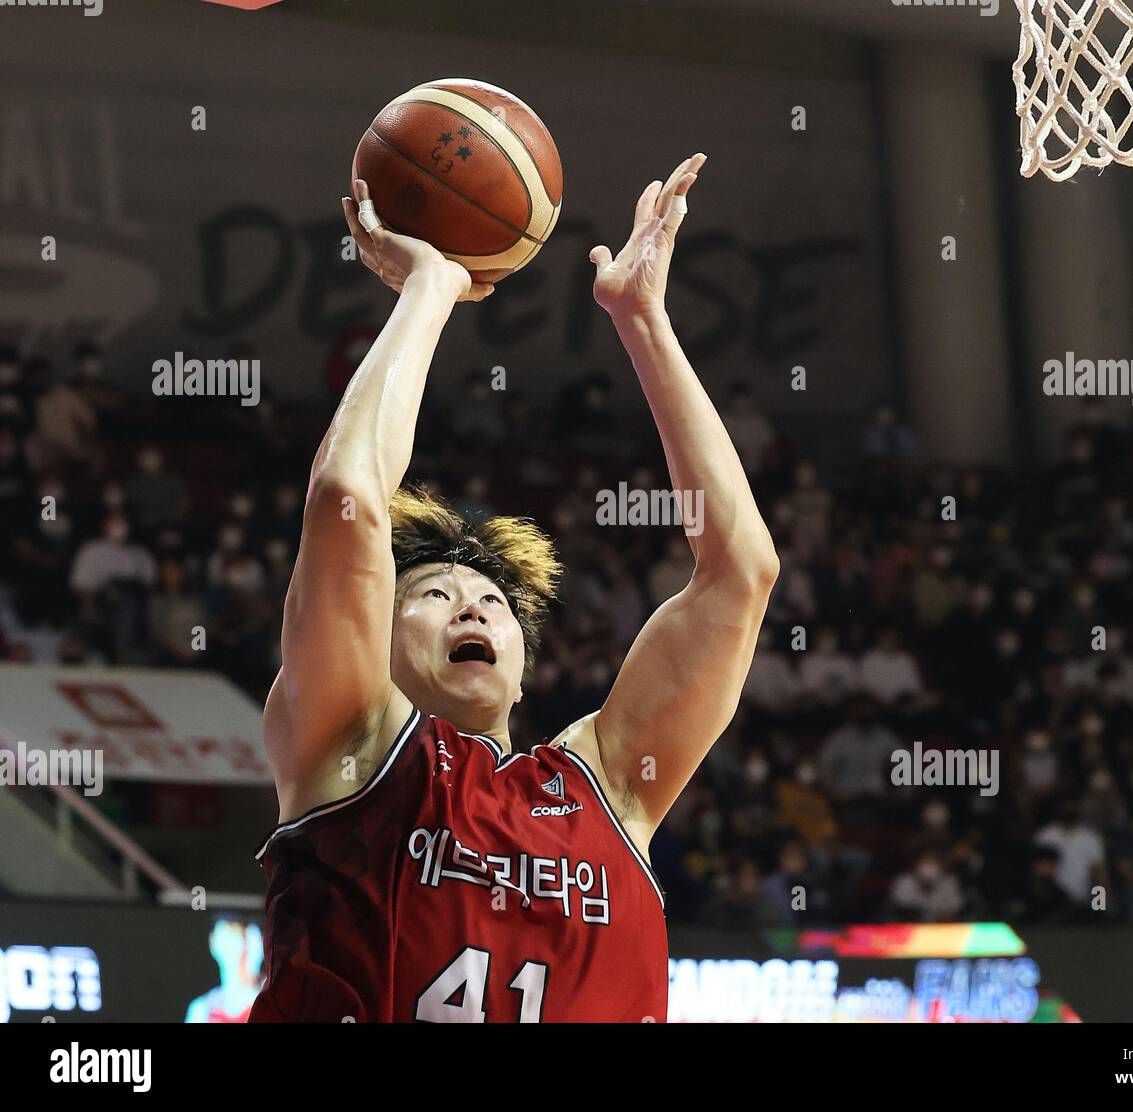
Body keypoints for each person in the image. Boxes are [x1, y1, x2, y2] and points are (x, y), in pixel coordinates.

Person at [249, 155, 779, 1023]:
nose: (472, 605)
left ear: (525, 664)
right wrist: (430, 286)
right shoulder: (346, 743)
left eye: (492, 602)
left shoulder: (610, 784)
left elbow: (741, 570)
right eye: (431, 594)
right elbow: (347, 499)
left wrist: (644, 320)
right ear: (365, 641)